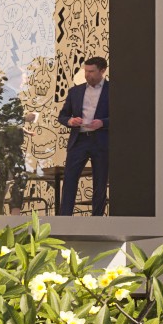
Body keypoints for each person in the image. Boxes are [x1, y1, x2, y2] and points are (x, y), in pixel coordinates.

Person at [55, 56, 113, 216]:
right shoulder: (75, 91)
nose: (87, 75)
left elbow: (123, 116)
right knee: (69, 180)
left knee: (100, 183)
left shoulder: (114, 90)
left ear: (102, 71)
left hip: (101, 141)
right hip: (79, 141)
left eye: (91, 71)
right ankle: (64, 218)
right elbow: (62, 115)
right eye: (85, 71)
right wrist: (71, 121)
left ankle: (97, 220)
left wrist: (103, 122)